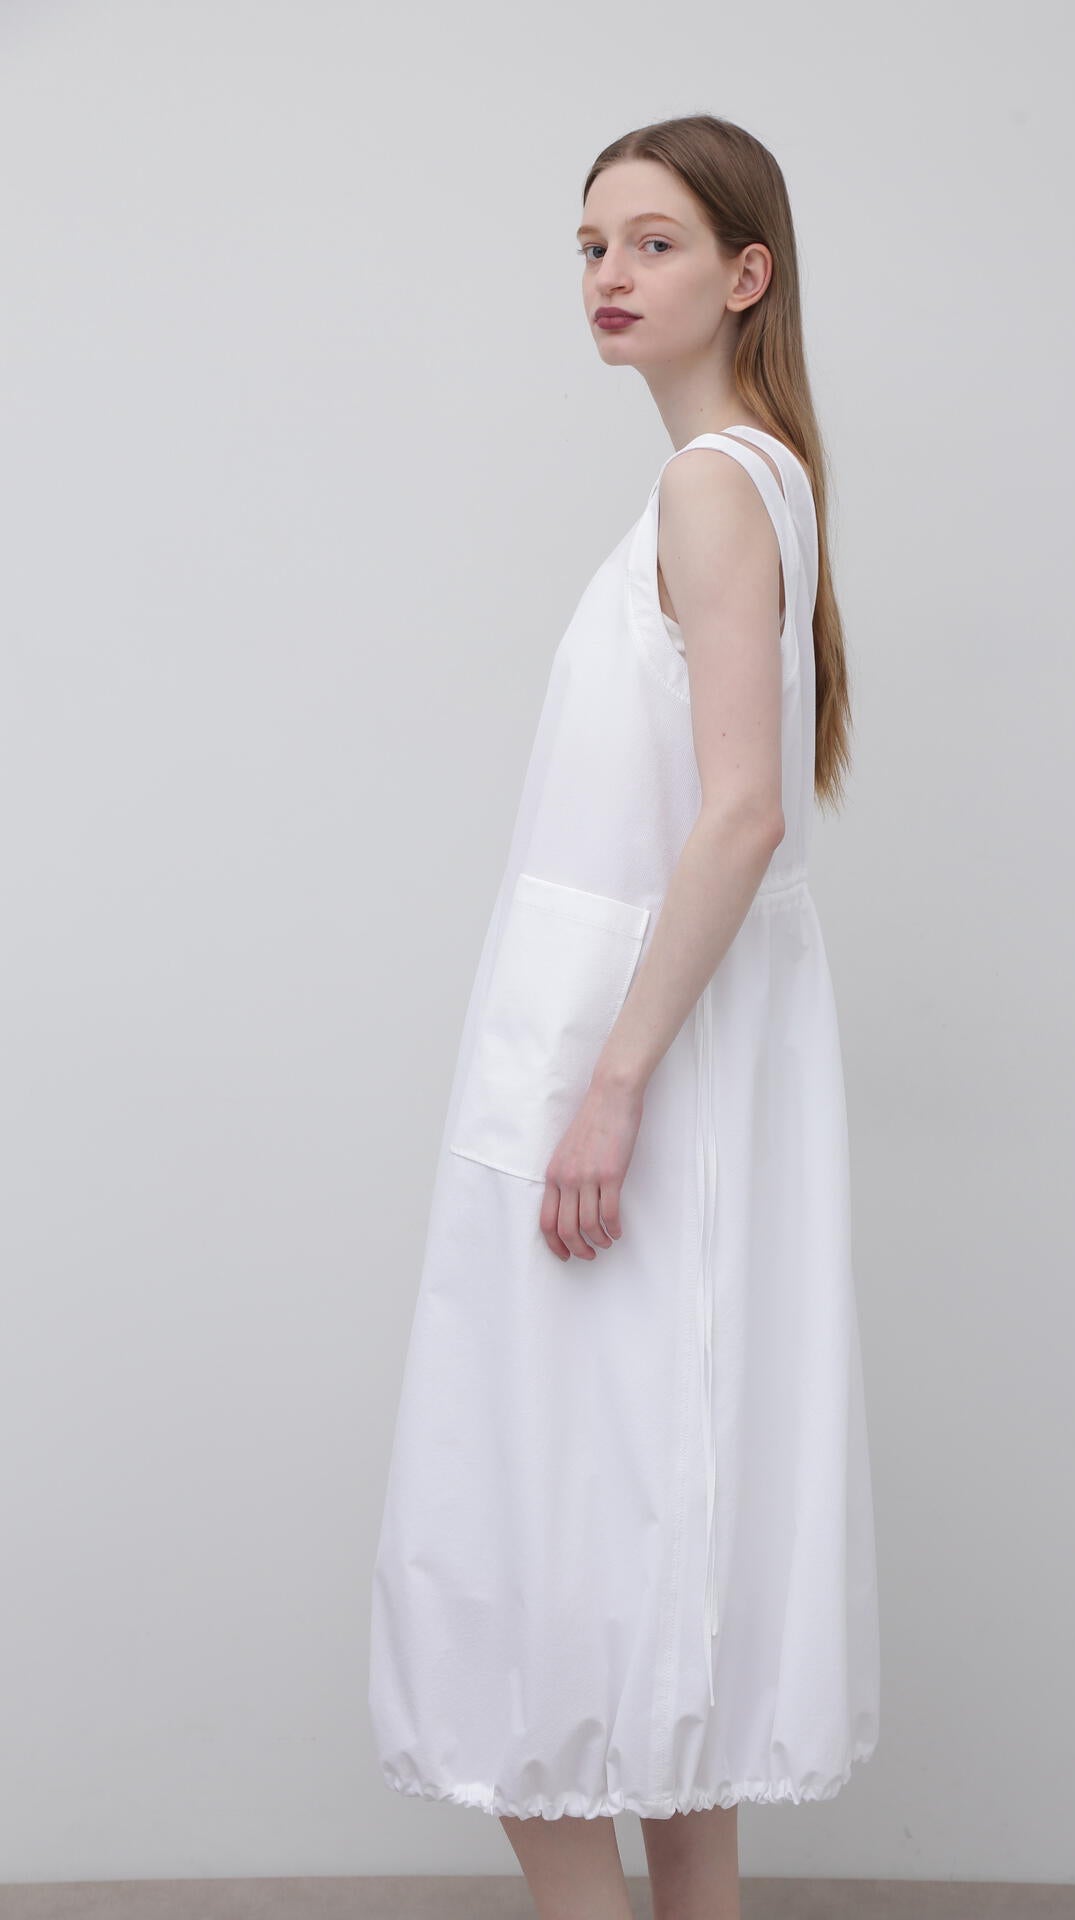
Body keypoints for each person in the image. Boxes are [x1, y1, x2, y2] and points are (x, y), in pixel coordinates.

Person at [368, 113, 880, 1919]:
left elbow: (741, 817)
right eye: (590, 243)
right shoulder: (757, 481)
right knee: (656, 1516)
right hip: (635, 1054)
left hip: (621, 1069)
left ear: (745, 275)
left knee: (543, 1523)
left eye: (654, 243)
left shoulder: (714, 489)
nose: (608, 274)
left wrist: (611, 1087)